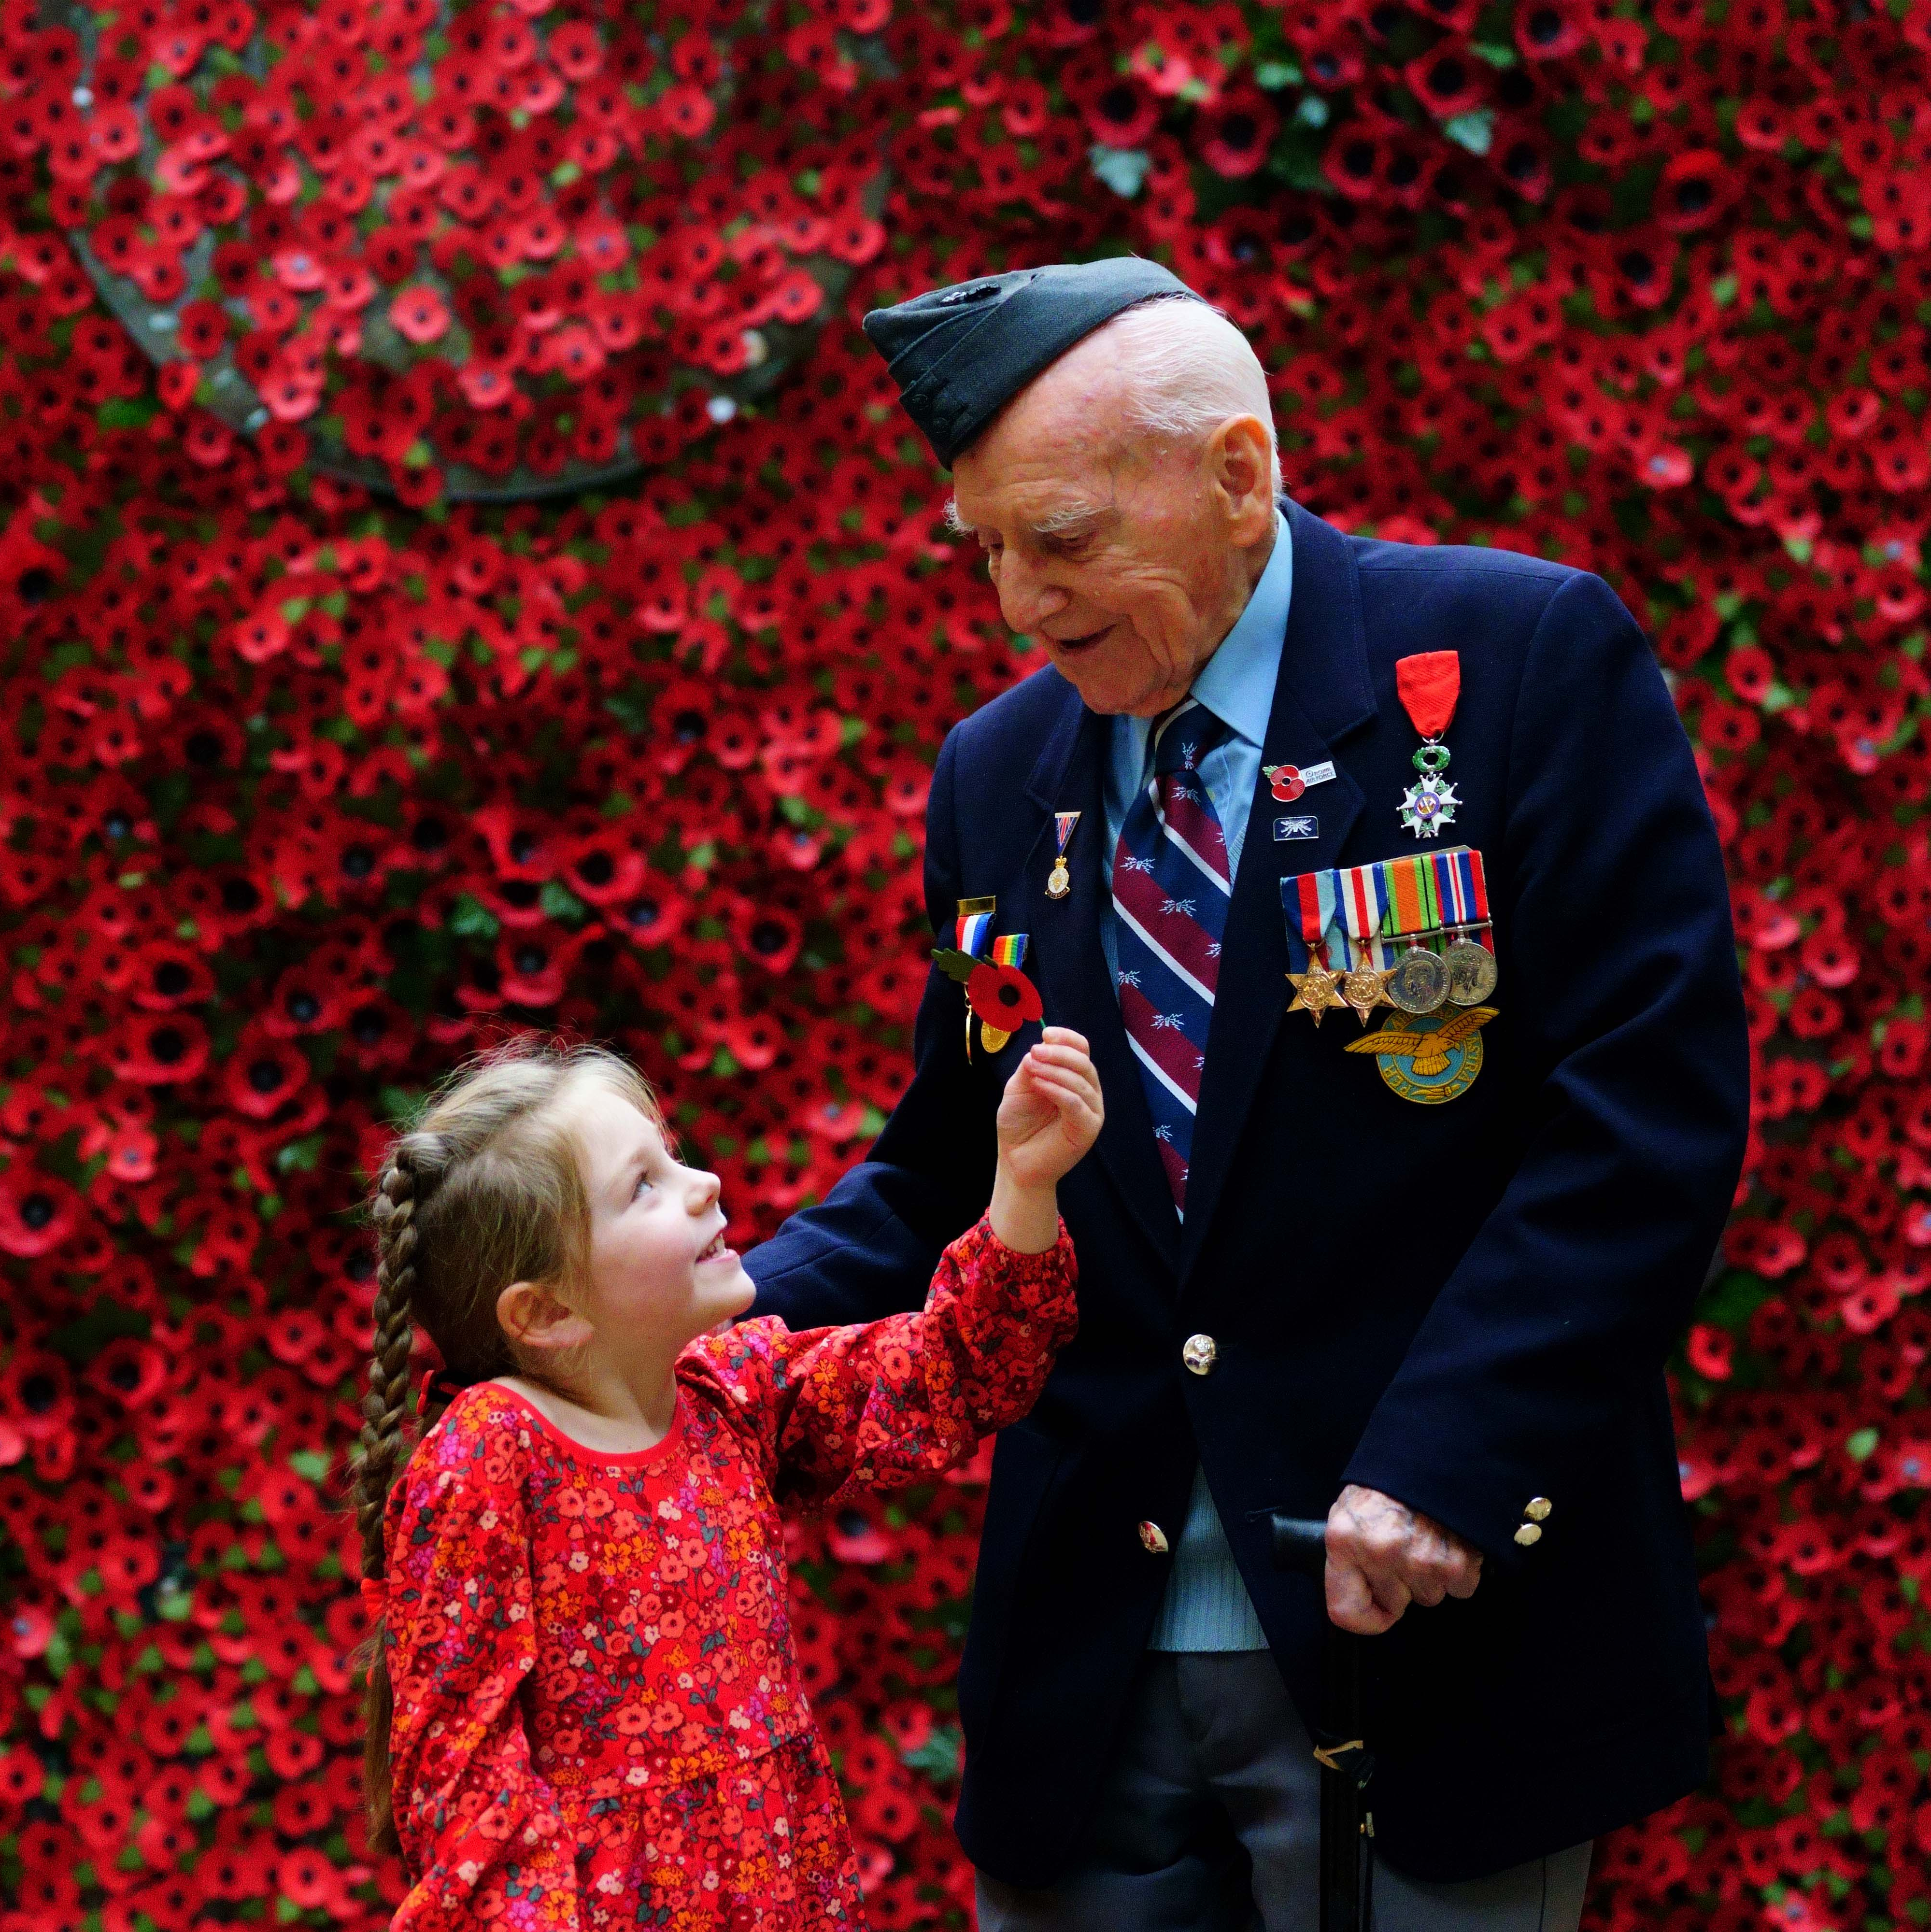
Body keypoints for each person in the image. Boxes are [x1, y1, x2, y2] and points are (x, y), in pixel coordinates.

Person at [742, 259, 1748, 1932]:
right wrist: (691, 1352)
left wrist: (1451, 1457)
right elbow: (948, 1162)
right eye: (985, 548)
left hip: (1426, 1642)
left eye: (1059, 541)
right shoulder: (1000, 775)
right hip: (1086, 1673)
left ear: (1237, 475)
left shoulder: (1512, 664)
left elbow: (1640, 1113)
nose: (1016, 603)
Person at [344, 1027, 1104, 1927]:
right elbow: (467, 1781)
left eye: (672, 1158)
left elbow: (953, 1370)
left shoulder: (731, 1389)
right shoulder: (491, 1456)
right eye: (645, 1188)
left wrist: (1022, 1182)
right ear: (548, 1312)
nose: (703, 1184)